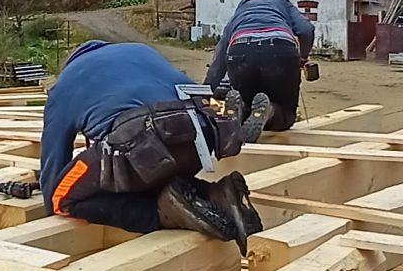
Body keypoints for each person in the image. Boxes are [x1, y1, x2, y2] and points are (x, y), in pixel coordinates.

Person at [38, 40, 263, 247]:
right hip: (201, 136)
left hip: (143, 139)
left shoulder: (65, 85)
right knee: (145, 165)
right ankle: (214, 192)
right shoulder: (139, 50)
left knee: (61, 198)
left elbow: (52, 173)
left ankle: (161, 211)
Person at [204, 0, 315, 141]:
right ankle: (269, 111)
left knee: (247, 102)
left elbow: (220, 57)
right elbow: (306, 30)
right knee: (286, 113)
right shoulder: (282, 4)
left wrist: (205, 94)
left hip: (241, 51)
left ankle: (240, 110)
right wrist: (302, 58)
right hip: (280, 50)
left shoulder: (241, 12)